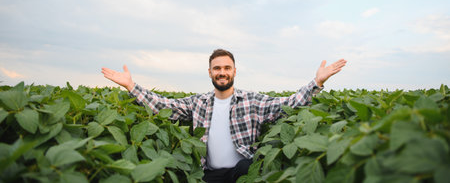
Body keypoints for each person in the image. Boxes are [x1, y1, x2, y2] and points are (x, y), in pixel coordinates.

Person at [101, 49, 346, 183]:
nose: (222, 72)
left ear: (234, 71)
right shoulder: (198, 102)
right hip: (208, 175)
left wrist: (316, 82)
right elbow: (166, 106)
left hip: (242, 174)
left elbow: (288, 103)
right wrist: (132, 87)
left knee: (246, 166)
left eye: (227, 68)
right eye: (217, 68)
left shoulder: (252, 101)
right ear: (209, 72)